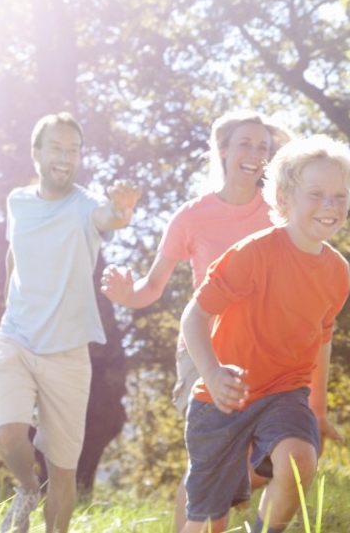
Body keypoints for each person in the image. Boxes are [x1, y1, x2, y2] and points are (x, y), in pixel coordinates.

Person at [100, 109, 291, 530]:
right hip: (203, 351)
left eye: (263, 147)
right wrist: (125, 295)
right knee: (211, 459)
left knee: (252, 464)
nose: (255, 154)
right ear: (222, 150)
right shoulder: (191, 216)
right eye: (245, 143)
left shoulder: (279, 214)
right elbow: (152, 287)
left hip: (262, 353)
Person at [179, 134, 350, 533]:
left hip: (284, 392)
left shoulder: (338, 272)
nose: (330, 206)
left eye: (339, 196)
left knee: (299, 461)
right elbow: (193, 317)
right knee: (209, 522)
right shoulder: (252, 254)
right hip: (223, 398)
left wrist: (318, 407)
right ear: (283, 197)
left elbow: (322, 339)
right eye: (316, 194)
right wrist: (212, 373)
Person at [0, 112, 140, 533]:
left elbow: (108, 218)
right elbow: (12, 253)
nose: (65, 157)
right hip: (17, 337)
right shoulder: (18, 201)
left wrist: (123, 210)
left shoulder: (86, 206)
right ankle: (25, 487)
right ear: (36, 153)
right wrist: (8, 304)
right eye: (56, 148)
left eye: (73, 150)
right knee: (8, 434)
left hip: (68, 351)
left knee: (63, 469)